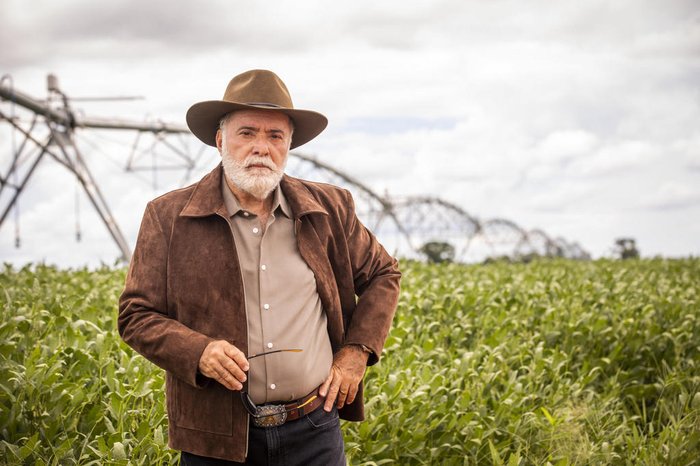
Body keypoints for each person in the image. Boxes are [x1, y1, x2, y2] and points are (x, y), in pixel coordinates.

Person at [118, 69, 401, 465]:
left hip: (314, 429)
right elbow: (136, 315)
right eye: (247, 133)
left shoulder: (331, 209)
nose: (261, 148)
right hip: (216, 439)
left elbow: (384, 274)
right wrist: (199, 351)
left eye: (275, 136)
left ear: (289, 146)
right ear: (220, 141)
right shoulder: (168, 217)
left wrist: (357, 351)